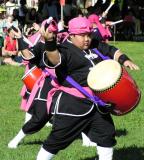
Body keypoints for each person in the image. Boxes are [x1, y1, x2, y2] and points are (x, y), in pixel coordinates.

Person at [35, 16, 139, 160]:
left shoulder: (94, 45)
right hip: (72, 106)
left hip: (97, 103)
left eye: (89, 35)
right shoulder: (64, 50)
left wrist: (124, 60)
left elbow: (111, 50)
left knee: (106, 134)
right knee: (57, 140)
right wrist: (50, 42)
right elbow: (54, 59)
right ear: (72, 35)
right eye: (82, 35)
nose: (87, 39)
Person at [7, 19, 57, 148]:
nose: (53, 34)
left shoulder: (64, 44)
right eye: (49, 31)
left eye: (54, 31)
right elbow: (28, 56)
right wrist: (19, 38)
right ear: (43, 31)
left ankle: (87, 141)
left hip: (65, 85)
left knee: (77, 110)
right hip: (46, 84)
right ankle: (16, 140)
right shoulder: (40, 45)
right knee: (38, 117)